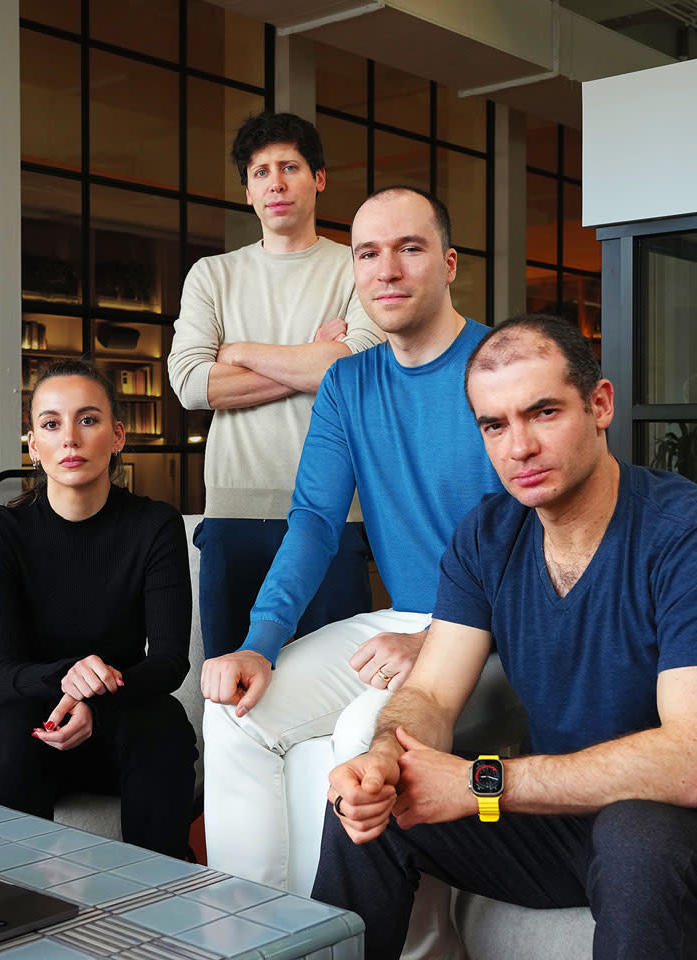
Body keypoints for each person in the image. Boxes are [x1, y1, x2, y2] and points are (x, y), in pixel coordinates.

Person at [312, 314, 697, 960]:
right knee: (370, 806)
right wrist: (384, 756)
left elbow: (689, 759)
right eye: (495, 425)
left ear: (600, 405)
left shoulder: (679, 531)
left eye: (543, 412)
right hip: (558, 824)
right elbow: (430, 697)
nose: (518, 447)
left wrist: (480, 783)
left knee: (638, 835)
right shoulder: (487, 537)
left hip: (668, 828)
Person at [201, 186, 503, 889]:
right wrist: (258, 642)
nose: (387, 269)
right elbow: (312, 521)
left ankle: (374, 938)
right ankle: (259, 933)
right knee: (237, 714)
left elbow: (534, 540)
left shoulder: (499, 366)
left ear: (450, 263)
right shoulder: (349, 382)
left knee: (362, 735)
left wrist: (440, 639)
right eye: (369, 253)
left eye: (410, 248)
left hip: (502, 633)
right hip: (404, 619)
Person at [0, 359, 197, 860]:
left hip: (122, 728)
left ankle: (162, 907)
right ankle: (11, 910)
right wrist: (70, 680)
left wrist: (95, 699)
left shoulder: (155, 526)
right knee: (16, 732)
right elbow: (2, 675)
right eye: (51, 424)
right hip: (24, 730)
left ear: (116, 437)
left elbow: (170, 662)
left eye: (88, 420)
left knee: (164, 723)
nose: (70, 438)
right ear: (33, 446)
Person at [168, 111, 382, 659]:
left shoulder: (357, 267)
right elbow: (191, 383)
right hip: (233, 511)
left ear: (319, 178)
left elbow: (353, 367)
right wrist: (312, 359)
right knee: (230, 689)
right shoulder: (212, 275)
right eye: (260, 172)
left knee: (336, 694)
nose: (276, 183)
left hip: (336, 512)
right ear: (247, 190)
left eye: (290, 167)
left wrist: (237, 353)